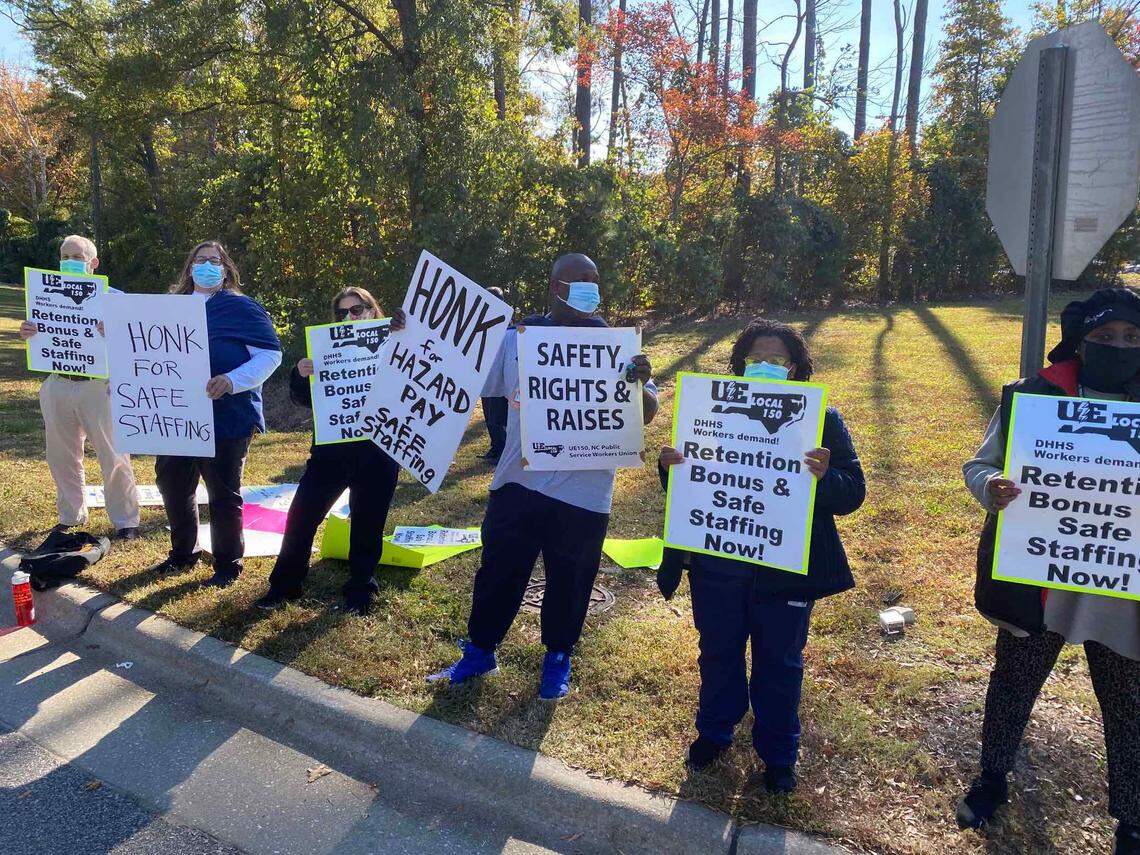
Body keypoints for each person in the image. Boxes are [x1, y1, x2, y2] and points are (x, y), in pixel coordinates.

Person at [427, 253, 659, 700]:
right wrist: (414, 337)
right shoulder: (518, 341)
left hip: (586, 493)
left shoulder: (619, 346)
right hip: (519, 482)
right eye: (580, 280)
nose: (592, 286)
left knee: (571, 580)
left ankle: (557, 659)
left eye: (596, 279)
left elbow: (646, 415)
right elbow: (463, 373)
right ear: (556, 288)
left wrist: (637, 385)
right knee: (498, 574)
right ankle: (479, 652)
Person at [957, 288, 1140, 854]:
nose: (1119, 346)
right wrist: (991, 487)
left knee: (1128, 702)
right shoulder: (1031, 397)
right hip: (1038, 579)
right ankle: (991, 780)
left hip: (1120, 589)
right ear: (1082, 340)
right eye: (1106, 337)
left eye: (1134, 338)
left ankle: (1131, 815)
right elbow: (979, 463)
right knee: (1012, 684)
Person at [656, 319, 864, 792]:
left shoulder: (823, 421)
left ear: (796, 369)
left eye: (777, 361)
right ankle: (714, 732)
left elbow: (853, 493)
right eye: (756, 360)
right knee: (718, 652)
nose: (766, 367)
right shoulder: (709, 412)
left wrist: (823, 478)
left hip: (786, 573)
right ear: (740, 364)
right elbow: (690, 486)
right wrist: (669, 469)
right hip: (718, 565)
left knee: (780, 664)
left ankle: (778, 753)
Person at [254, 287, 401, 615]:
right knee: (302, 518)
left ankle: (361, 588)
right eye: (342, 311)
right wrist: (301, 375)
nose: (351, 315)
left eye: (358, 308)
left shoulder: (395, 347)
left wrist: (404, 331)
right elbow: (305, 401)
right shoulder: (326, 350)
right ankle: (284, 585)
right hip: (330, 454)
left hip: (379, 453)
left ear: (372, 310)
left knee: (368, 523)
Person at [153, 240, 282, 588]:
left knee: (223, 491)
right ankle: (183, 553)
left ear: (225, 270)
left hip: (227, 416)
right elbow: (142, 351)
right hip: (177, 416)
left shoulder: (242, 308)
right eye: (201, 260)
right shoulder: (170, 307)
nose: (207, 265)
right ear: (189, 267)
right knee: (173, 483)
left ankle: (228, 564)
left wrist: (232, 380)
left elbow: (270, 355)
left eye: (215, 261)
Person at [19, 235, 140, 540]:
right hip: (58, 382)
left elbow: (135, 341)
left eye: (77, 256)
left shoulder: (115, 298)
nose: (69, 261)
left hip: (98, 387)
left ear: (93, 263)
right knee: (61, 455)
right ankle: (71, 515)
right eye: (64, 256)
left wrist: (114, 330)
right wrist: (27, 331)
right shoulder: (46, 293)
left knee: (113, 456)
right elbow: (41, 334)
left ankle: (126, 521)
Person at [479, 286, 509, 462]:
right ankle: (495, 447)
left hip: (501, 380)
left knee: (498, 416)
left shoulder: (507, 325)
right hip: (485, 379)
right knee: (489, 416)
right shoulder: (481, 324)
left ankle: (501, 450)